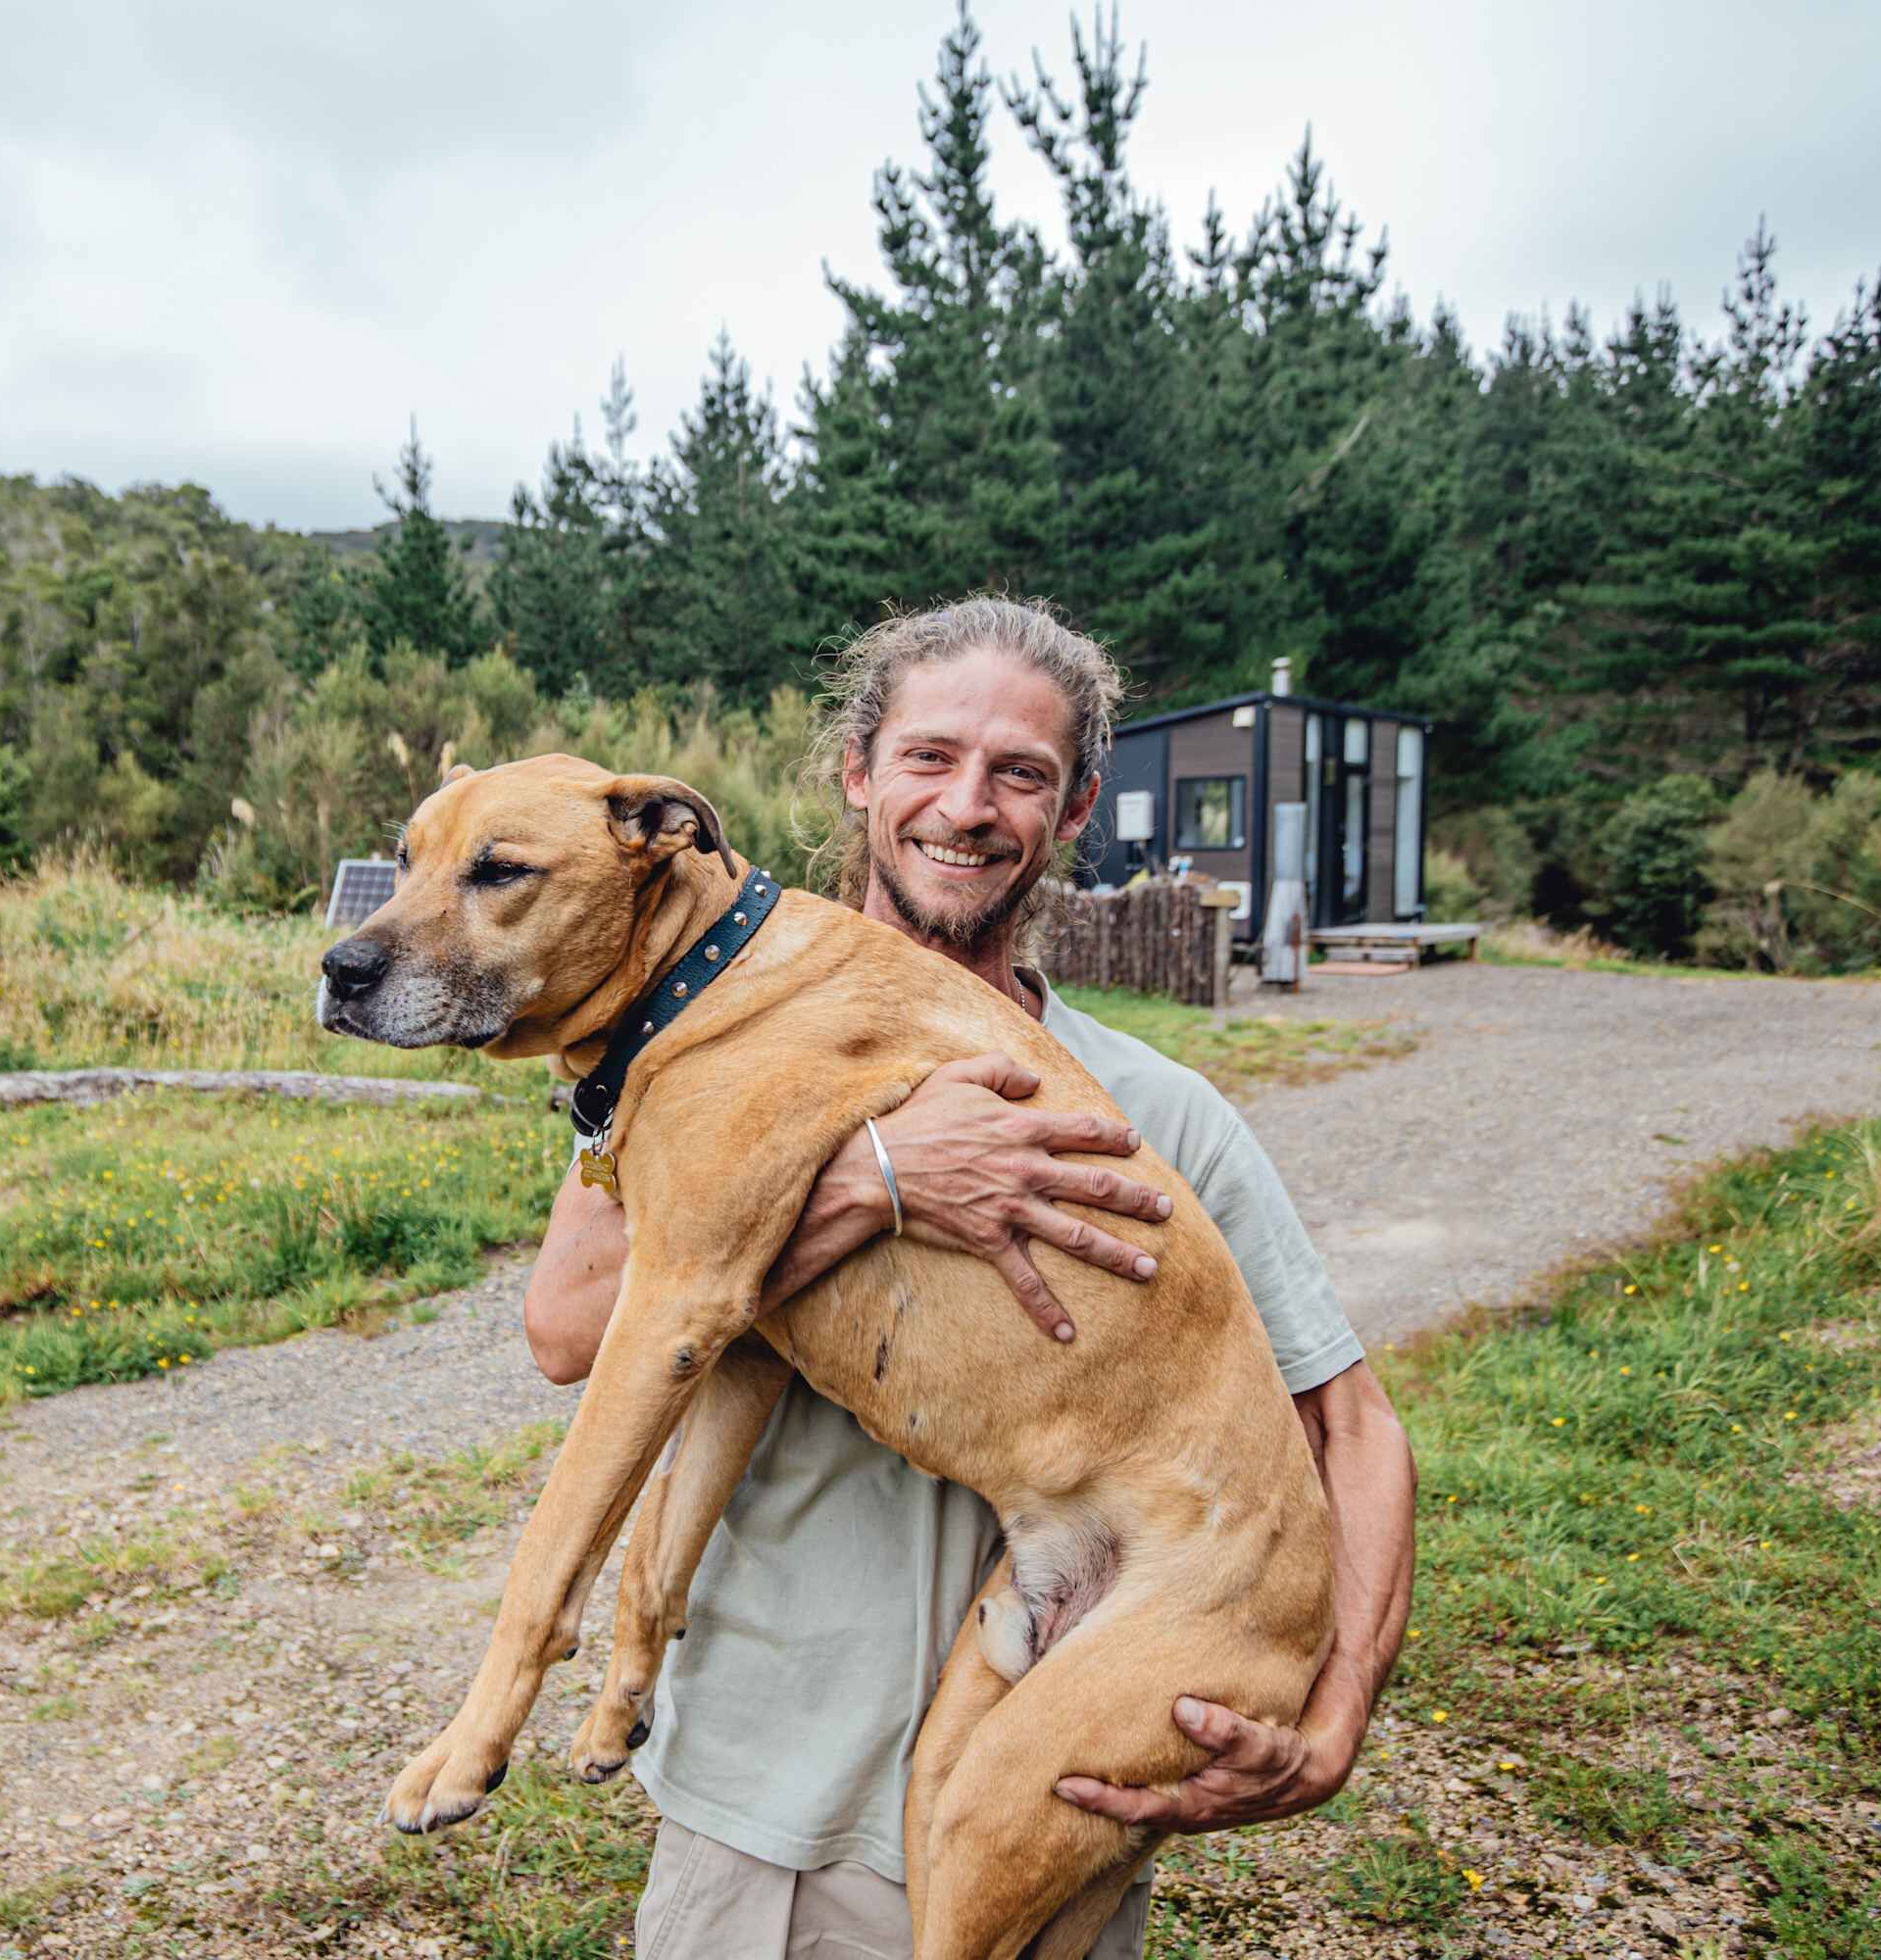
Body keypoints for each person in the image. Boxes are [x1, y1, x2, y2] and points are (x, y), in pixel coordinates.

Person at [519, 598, 1417, 1960]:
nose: (969, 807)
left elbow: (1350, 1423)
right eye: (931, 758)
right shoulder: (699, 1048)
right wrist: (877, 1176)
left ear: (1073, 814)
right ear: (859, 773)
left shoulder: (1154, 1110)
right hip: (762, 1804)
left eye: (1022, 775)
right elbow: (574, 1331)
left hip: (1047, 1779)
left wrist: (1340, 1707)